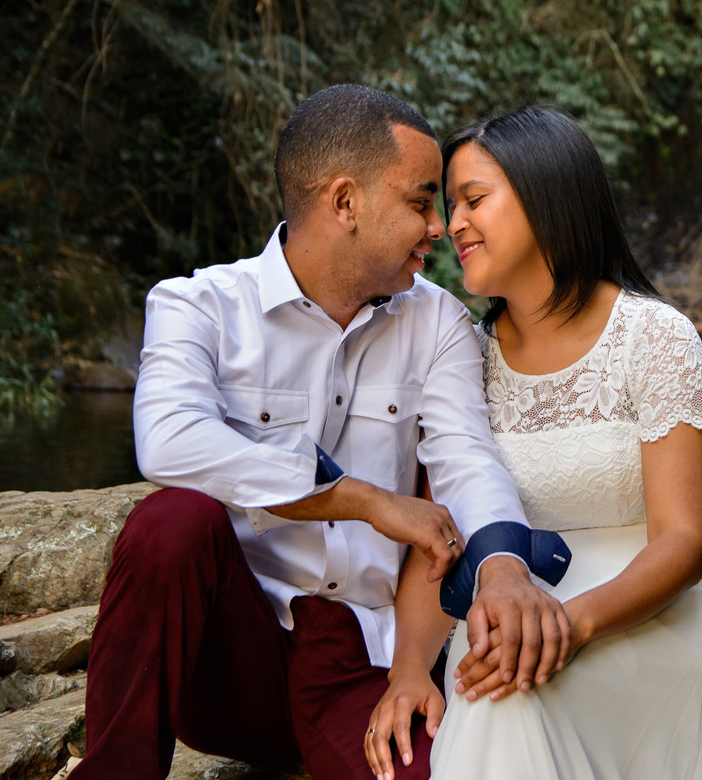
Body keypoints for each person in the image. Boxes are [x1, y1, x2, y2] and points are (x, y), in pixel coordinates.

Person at [69, 85, 570, 780]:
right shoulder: (197, 306)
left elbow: (465, 458)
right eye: (421, 203)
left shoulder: (439, 323)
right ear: (345, 203)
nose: (440, 229)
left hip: (361, 669)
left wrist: (502, 566)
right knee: (170, 522)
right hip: (229, 661)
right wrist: (362, 499)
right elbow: (169, 442)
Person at [420, 106, 702, 779]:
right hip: (509, 607)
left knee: (512, 691)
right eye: (449, 204)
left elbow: (682, 542)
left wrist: (572, 624)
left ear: (547, 195)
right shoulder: (463, 356)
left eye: (473, 199)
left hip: (649, 616)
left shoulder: (654, 338)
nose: (452, 225)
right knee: (499, 694)